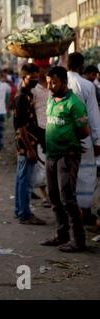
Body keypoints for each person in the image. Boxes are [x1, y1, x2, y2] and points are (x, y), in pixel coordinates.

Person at [41, 66, 90, 253]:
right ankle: (62, 235)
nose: (51, 86)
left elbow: (84, 131)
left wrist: (69, 142)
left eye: (54, 82)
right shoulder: (51, 99)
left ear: (64, 82)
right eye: (48, 83)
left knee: (68, 198)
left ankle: (79, 241)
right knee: (54, 197)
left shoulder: (74, 103)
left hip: (67, 156)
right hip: (51, 155)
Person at [67, 52, 100, 226]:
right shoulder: (87, 85)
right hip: (83, 136)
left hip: (62, 137)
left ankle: (69, 212)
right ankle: (84, 212)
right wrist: (98, 141)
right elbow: (93, 116)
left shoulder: (57, 82)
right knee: (86, 174)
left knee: (66, 174)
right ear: (81, 66)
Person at [13, 64, 46, 225]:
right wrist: (30, 148)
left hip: (26, 144)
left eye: (36, 77)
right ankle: (25, 214)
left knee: (21, 178)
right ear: (23, 76)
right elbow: (21, 126)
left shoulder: (27, 95)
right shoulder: (22, 97)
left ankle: (19, 210)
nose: (34, 80)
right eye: (31, 78)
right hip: (26, 144)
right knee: (26, 182)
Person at [31, 58, 51, 208]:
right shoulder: (33, 88)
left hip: (54, 129)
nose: (44, 71)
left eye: (46, 67)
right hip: (39, 130)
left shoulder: (53, 85)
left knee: (52, 164)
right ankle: (45, 196)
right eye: (41, 68)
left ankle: (52, 194)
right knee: (41, 163)